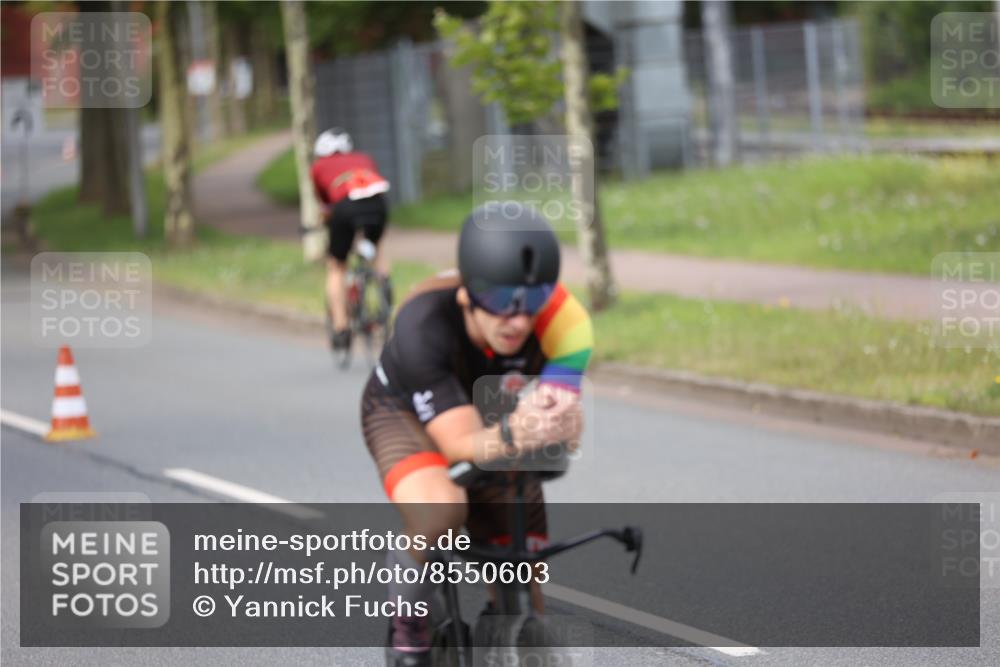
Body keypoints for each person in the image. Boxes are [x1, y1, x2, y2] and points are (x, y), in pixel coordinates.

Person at [360, 203, 593, 666]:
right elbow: (461, 445)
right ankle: (410, 622)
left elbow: (553, 428)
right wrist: (516, 432)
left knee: (520, 551)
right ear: (467, 294)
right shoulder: (421, 326)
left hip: (489, 404)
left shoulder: (567, 326)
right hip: (403, 411)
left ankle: (508, 631)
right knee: (443, 509)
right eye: (502, 301)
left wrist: (561, 425)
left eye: (532, 303)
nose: (518, 320)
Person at [310, 127, 391, 351]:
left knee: (337, 266)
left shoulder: (318, 167)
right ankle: (384, 283)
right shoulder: (364, 158)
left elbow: (326, 206)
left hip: (343, 209)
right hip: (378, 206)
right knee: (376, 245)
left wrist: (323, 222)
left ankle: (341, 326)